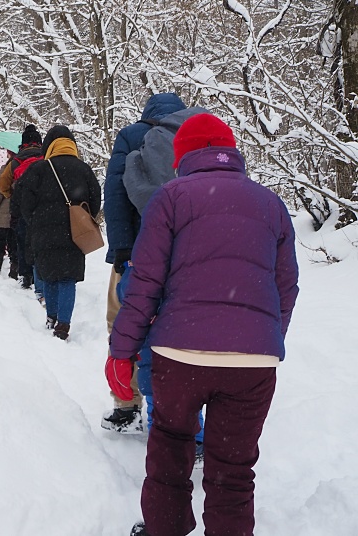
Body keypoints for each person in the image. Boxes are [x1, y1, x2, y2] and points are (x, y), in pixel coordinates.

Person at [107, 114, 299, 536]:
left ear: (182, 156)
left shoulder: (171, 198)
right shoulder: (270, 203)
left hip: (180, 356)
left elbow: (144, 285)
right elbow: (286, 286)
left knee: (170, 454)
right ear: (231, 152)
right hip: (253, 363)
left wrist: (121, 351)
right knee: (233, 471)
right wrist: (263, 338)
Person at [102, 92, 187, 432]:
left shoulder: (131, 135)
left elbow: (116, 192)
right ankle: (178, 413)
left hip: (138, 250)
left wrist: (121, 250)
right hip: (184, 254)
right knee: (179, 329)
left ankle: (127, 403)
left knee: (122, 323)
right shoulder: (193, 134)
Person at [19, 125, 101, 340]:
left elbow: (24, 201)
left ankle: (51, 317)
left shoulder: (39, 169)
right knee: (67, 278)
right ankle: (63, 323)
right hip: (74, 232)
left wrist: (35, 221)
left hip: (43, 231)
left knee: (49, 276)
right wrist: (82, 218)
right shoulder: (84, 169)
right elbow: (95, 201)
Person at [9, 125, 45, 293]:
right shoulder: (47, 158)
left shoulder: (16, 161)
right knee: (41, 241)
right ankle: (41, 274)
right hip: (43, 207)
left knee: (23, 241)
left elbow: (4, 185)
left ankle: (25, 275)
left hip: (23, 205)